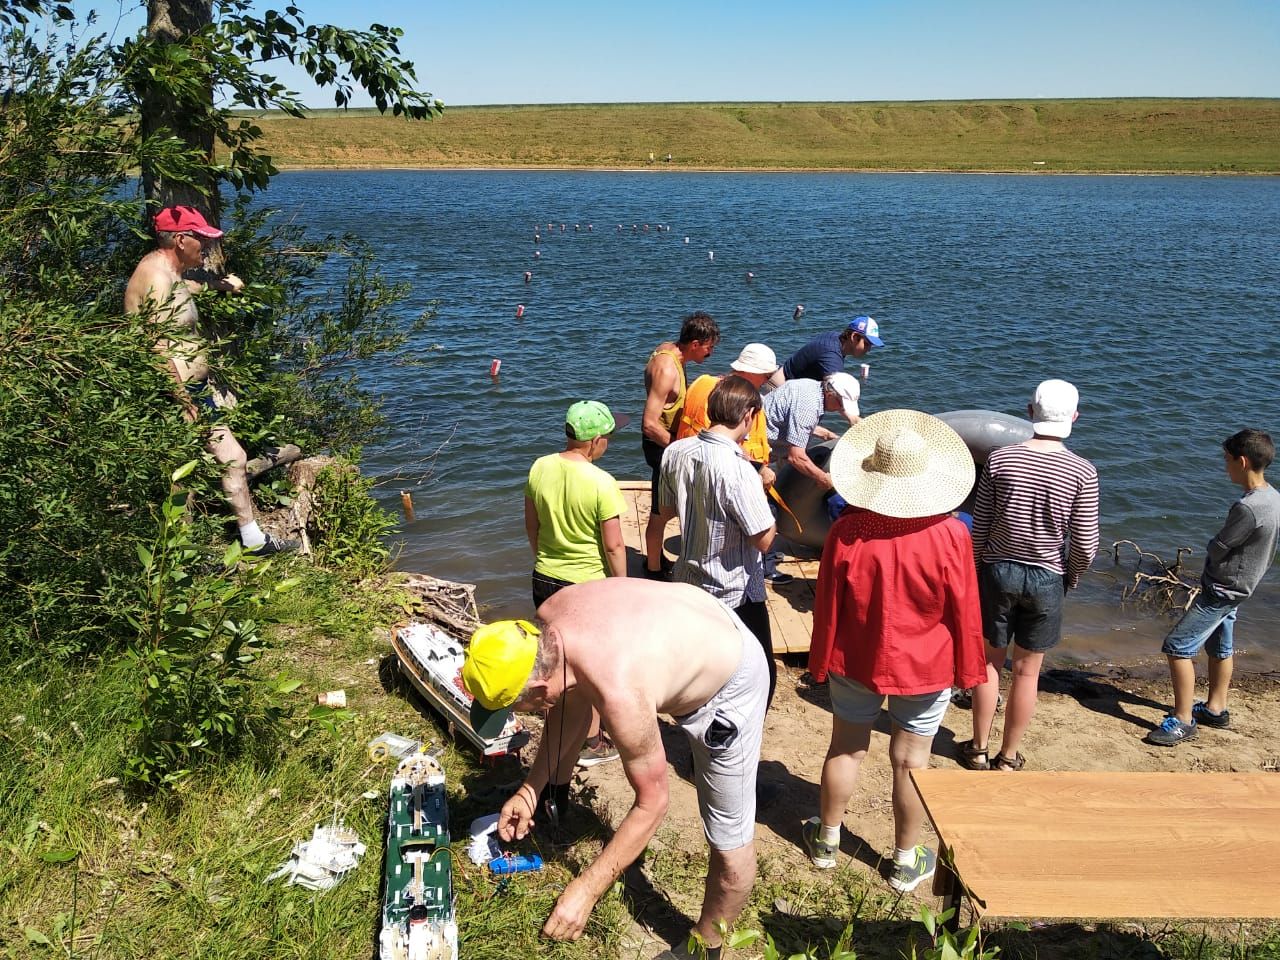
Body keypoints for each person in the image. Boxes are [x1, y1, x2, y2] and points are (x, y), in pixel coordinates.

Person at [462, 579, 768, 959]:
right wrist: (530, 790)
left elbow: (653, 802)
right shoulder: (549, 625)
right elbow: (568, 705)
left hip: (731, 679)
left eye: (515, 708)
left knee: (728, 836)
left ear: (538, 689)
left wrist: (587, 890)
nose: (517, 717)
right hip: (690, 624)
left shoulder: (619, 695)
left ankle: (704, 948)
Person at [803, 410, 984, 891]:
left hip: (855, 658)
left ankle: (826, 843)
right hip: (926, 665)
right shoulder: (951, 534)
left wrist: (819, 660)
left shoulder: (847, 531)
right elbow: (966, 610)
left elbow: (827, 605)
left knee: (846, 747)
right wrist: (970, 669)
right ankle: (905, 861)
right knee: (911, 761)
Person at [124, 205, 296, 554]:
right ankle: (179, 558)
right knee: (184, 473)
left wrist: (219, 285)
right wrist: (185, 403)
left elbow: (184, 291)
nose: (205, 247)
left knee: (229, 456)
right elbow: (156, 347)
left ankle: (250, 541)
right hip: (173, 393)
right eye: (200, 240)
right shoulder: (155, 278)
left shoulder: (169, 272)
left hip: (191, 390)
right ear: (181, 239)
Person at [963, 380, 1099, 771]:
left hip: (998, 570)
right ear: (1075, 417)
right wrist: (1069, 577)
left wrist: (977, 569)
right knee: (1026, 672)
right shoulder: (1082, 471)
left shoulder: (1001, 460)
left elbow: (981, 526)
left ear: (1029, 411)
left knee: (990, 663)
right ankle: (1007, 757)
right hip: (1046, 578)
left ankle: (977, 748)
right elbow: (1086, 544)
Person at [1147, 429, 1279, 746]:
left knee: (1177, 647)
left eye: (1227, 460)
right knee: (1220, 648)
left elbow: (1220, 545)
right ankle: (1216, 708)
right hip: (1240, 586)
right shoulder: (1273, 497)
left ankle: (1182, 720)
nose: (1225, 466)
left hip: (1222, 589)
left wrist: (1212, 548)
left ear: (1243, 461)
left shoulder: (1247, 508)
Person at [657, 376, 778, 704]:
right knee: (760, 677)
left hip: (688, 581)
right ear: (749, 416)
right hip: (734, 592)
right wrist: (762, 494)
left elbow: (667, 509)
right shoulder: (739, 470)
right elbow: (764, 539)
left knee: (700, 676)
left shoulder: (676, 452)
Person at [525, 399, 630, 766]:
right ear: (595, 440)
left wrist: (547, 558)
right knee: (591, 666)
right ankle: (591, 743)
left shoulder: (539, 467)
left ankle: (559, 727)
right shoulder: (602, 482)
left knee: (556, 662)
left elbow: (532, 526)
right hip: (588, 587)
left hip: (546, 577)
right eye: (609, 438)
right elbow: (614, 544)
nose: (609, 444)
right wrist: (622, 587)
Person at [760, 373, 862, 582]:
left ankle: (764, 553)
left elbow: (792, 418)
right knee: (766, 509)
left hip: (763, 441)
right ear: (830, 393)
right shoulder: (810, 405)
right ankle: (764, 567)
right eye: (840, 404)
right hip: (758, 451)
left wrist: (822, 432)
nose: (841, 409)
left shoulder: (808, 386)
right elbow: (796, 457)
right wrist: (824, 479)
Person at [642, 312, 720, 578]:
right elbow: (650, 423)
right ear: (695, 344)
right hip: (661, 444)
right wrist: (679, 449)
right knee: (660, 511)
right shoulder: (667, 369)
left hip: (669, 443)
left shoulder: (669, 349)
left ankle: (656, 560)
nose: (711, 353)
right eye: (709, 348)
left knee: (669, 506)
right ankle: (653, 569)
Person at [676, 342, 777, 485]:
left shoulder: (702, 383)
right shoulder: (740, 400)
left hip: (688, 468)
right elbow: (721, 440)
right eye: (767, 376)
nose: (767, 382)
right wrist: (760, 469)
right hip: (722, 476)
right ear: (752, 372)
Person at [769, 315, 883, 387]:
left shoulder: (833, 337)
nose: (868, 349)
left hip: (779, 379)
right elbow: (836, 395)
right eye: (867, 344)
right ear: (854, 337)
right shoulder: (832, 358)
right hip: (779, 388)